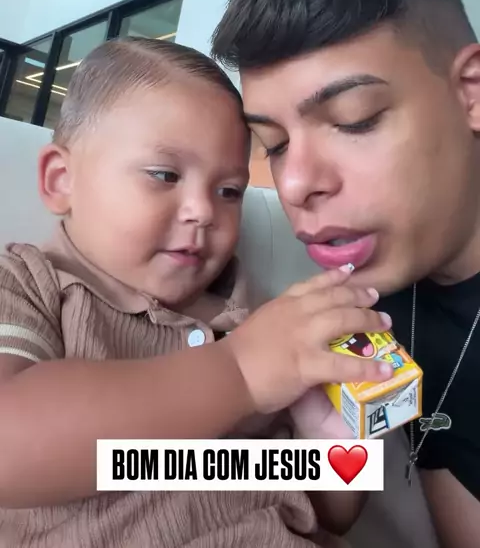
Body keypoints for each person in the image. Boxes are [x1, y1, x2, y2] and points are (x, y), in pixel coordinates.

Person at [0, 36, 393, 548]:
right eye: (164, 175)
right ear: (60, 180)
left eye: (229, 191)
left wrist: (334, 440)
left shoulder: (254, 322)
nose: (204, 211)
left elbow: (322, 512)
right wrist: (239, 372)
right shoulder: (27, 282)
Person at [211, 0, 480, 548]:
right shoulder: (369, 303)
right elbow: (335, 509)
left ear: (471, 93)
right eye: (273, 145)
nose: (295, 184)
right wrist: (323, 449)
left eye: (354, 118)